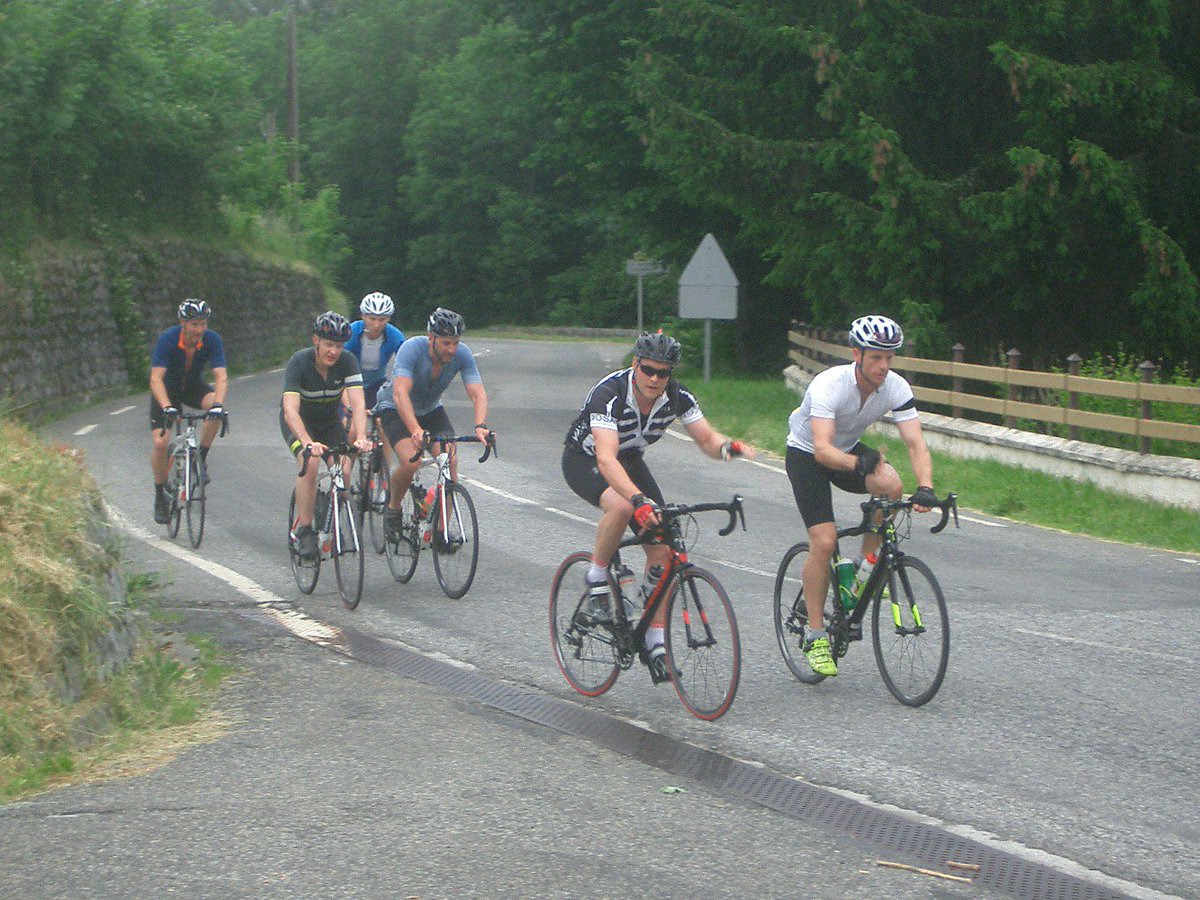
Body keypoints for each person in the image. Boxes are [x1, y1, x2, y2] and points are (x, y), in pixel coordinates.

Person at [562, 331, 755, 683]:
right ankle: (597, 575)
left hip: (630, 461)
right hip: (586, 459)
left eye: (662, 373)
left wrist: (729, 449)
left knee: (665, 551)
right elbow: (606, 459)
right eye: (648, 369)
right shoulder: (609, 394)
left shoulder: (678, 397)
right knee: (622, 509)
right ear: (636, 364)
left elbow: (708, 440)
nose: (654, 378)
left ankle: (654, 641)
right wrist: (637, 500)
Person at [785, 314, 936, 677]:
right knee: (824, 540)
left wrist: (927, 487)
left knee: (893, 486)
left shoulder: (895, 386)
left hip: (848, 451)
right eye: (876, 358)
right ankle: (816, 635)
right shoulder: (829, 385)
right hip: (808, 455)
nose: (884, 367)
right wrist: (859, 463)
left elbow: (915, 442)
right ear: (857, 355)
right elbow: (822, 450)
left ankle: (864, 569)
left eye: (889, 358)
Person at [374, 307, 491, 538]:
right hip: (395, 409)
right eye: (446, 343)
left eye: (455, 343)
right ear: (431, 338)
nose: (451, 349)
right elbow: (400, 393)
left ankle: (441, 530)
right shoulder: (412, 349)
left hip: (431, 410)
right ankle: (393, 508)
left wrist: (480, 425)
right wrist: (415, 430)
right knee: (410, 463)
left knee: (450, 459)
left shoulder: (462, 355)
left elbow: (477, 392)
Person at [281, 311, 373, 560]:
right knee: (310, 464)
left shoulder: (348, 361)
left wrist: (362, 436)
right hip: (300, 423)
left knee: (344, 469)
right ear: (316, 341)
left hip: (330, 422)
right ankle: (306, 530)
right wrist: (307, 442)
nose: (334, 351)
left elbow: (357, 401)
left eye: (339, 346)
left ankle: (330, 516)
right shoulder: (299, 362)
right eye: (329, 345)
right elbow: (290, 409)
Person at [149, 299, 228, 525]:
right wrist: (166, 406)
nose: (199, 329)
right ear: (183, 323)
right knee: (160, 443)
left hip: (193, 386)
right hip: (167, 391)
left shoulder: (212, 340)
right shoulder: (168, 339)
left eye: (202, 324)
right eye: (194, 324)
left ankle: (200, 457)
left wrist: (219, 405)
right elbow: (155, 378)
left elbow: (220, 376)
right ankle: (159, 494)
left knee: (215, 407)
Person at [344, 292, 406, 411]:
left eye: (381, 320)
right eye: (372, 319)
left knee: (384, 420)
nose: (376, 325)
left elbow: (405, 362)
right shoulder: (352, 331)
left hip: (377, 384)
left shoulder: (395, 336)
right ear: (363, 316)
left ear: (388, 318)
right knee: (350, 421)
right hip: (350, 383)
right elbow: (340, 361)